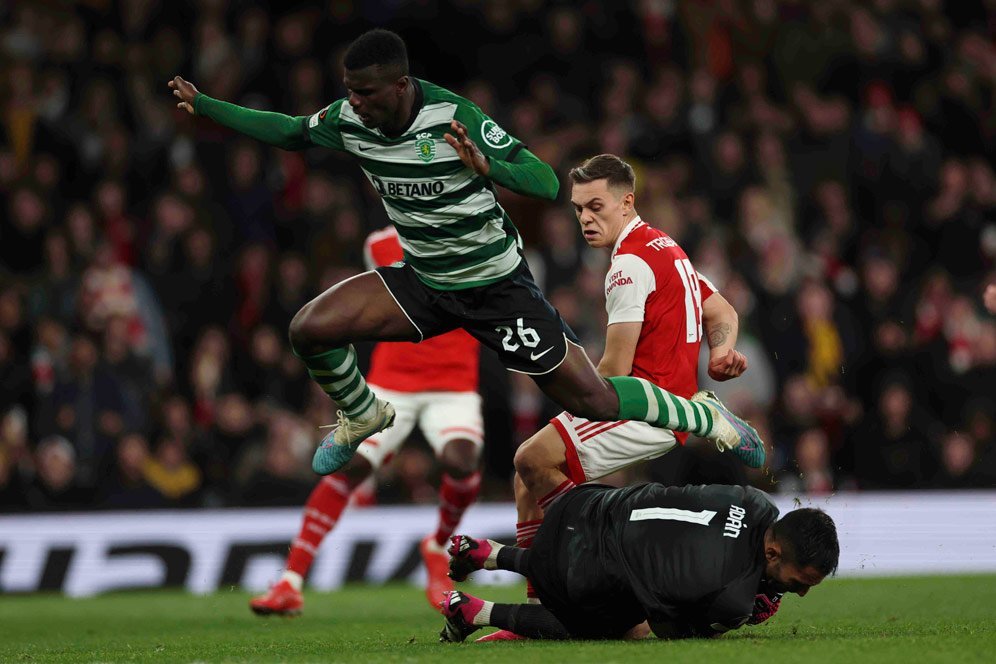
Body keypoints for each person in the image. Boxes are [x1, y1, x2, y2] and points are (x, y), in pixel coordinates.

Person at [169, 29, 762, 478]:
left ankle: (703, 414)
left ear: (400, 86)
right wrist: (209, 108)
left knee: (597, 398)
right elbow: (292, 130)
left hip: (497, 289)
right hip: (424, 284)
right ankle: (364, 414)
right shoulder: (349, 120)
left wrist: (488, 167)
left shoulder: (453, 117)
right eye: (350, 91)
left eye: (367, 93)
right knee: (310, 328)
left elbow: (546, 183)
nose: (356, 103)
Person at [492, 154, 756, 634]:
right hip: (666, 406)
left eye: (596, 206)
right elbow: (723, 313)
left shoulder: (627, 266)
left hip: (644, 408)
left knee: (533, 460)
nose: (585, 219)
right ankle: (540, 609)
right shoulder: (666, 248)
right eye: (577, 209)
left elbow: (612, 372)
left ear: (626, 200)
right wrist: (722, 354)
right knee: (526, 481)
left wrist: (551, 373)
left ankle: (593, 587)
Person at [250, 227, 485, 616]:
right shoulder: (378, 244)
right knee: (353, 465)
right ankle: (290, 581)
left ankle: (437, 546)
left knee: (461, 462)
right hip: (392, 380)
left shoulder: (476, 233)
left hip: (454, 382)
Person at [439, 483, 839, 641]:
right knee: (627, 626)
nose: (801, 592)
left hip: (575, 509)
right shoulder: (732, 600)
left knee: (627, 548)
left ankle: (488, 554)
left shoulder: (754, 499)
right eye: (801, 580)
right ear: (773, 553)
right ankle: (475, 613)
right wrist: (746, 608)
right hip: (574, 579)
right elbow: (663, 630)